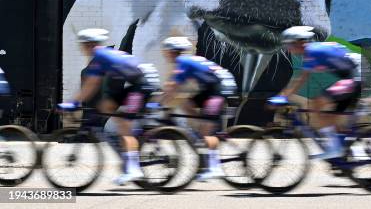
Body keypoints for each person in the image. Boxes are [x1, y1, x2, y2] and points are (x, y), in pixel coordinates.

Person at [57, 28, 160, 185]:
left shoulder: (100, 57)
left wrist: (72, 103)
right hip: (134, 84)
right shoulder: (102, 56)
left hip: (142, 85)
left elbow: (90, 85)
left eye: (83, 44)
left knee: (124, 126)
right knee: (105, 107)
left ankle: (133, 169)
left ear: (90, 44)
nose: (81, 48)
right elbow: (93, 86)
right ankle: (130, 153)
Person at [270, 26, 362, 159]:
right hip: (354, 77)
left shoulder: (312, 52)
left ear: (299, 42)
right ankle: (354, 151)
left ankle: (334, 149)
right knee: (332, 119)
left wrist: (282, 97)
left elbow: (300, 80)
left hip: (354, 79)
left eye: (288, 45)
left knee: (316, 104)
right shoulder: (314, 50)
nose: (287, 49)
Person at [161, 36, 237, 181]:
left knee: (206, 132)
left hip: (219, 89)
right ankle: (199, 128)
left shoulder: (182, 61)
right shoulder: (187, 61)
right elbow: (173, 87)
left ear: (172, 52)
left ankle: (215, 168)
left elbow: (172, 87)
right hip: (211, 88)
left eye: (166, 51)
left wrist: (161, 105)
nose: (165, 54)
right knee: (182, 102)